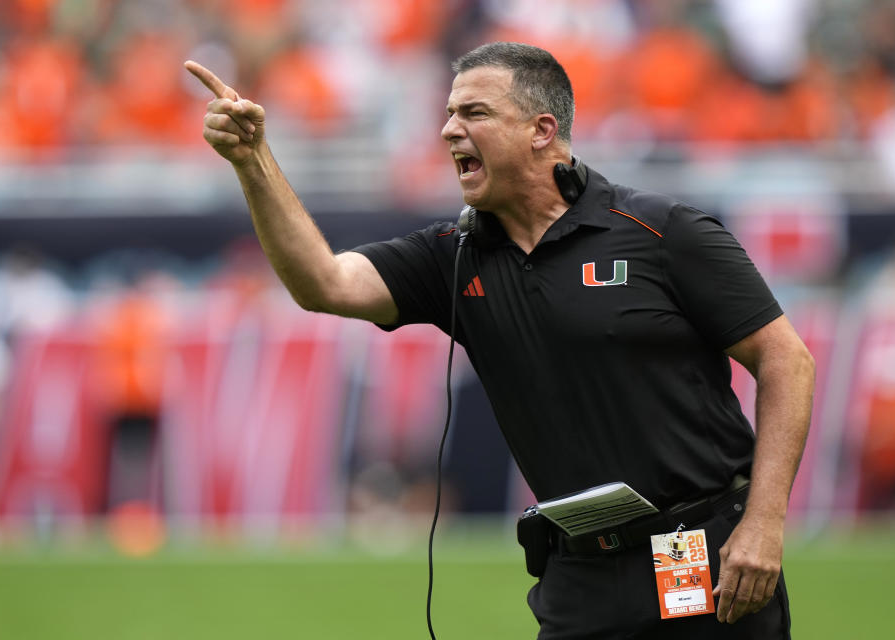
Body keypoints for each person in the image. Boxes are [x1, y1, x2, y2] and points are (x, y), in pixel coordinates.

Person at [185, 41, 814, 639]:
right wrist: (254, 161)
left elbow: (786, 359)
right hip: (578, 570)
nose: (448, 130)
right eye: (449, 113)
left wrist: (764, 521)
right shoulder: (452, 256)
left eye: (474, 112)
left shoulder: (662, 231)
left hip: (695, 548)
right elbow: (323, 283)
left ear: (541, 131)